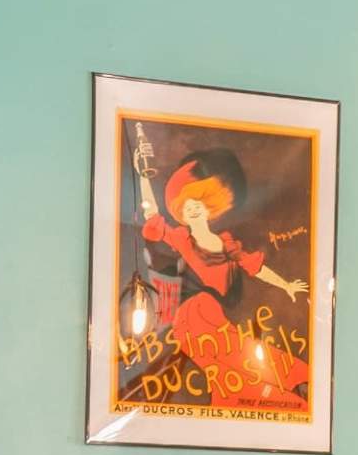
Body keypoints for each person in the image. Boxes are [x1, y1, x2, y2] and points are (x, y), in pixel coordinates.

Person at [133, 139, 311, 413]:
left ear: (210, 206)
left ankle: (281, 398)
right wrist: (143, 176)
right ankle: (292, 389)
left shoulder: (227, 244)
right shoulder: (182, 239)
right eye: (186, 205)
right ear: (181, 212)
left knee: (229, 372)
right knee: (238, 356)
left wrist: (286, 285)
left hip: (214, 316)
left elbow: (255, 267)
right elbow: (152, 216)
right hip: (192, 316)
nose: (193, 208)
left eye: (198, 202)